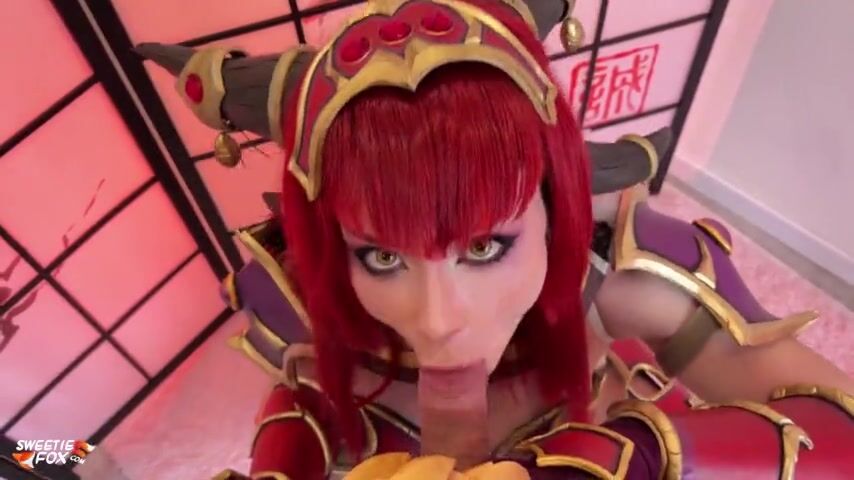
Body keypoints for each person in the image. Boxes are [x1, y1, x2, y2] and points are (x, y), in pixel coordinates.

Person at [138, 0, 853, 478]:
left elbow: (841, 431)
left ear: (554, 205)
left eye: (484, 248)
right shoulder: (302, 297)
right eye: (382, 257)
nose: (438, 318)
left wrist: (629, 457)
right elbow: (300, 412)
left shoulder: (621, 271)